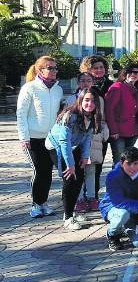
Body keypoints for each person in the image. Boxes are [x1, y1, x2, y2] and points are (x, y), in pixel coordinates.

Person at [46, 87, 100, 230]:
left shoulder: (91, 116)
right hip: (57, 145)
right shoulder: (70, 115)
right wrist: (70, 164)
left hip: (74, 145)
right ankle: (68, 216)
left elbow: (88, 137)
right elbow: (64, 141)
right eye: (87, 100)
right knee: (70, 178)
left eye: (93, 101)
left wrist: (85, 157)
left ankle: (72, 211)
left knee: (79, 177)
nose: (90, 104)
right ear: (81, 100)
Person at [18, 56, 64, 218]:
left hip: (51, 139)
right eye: (50, 68)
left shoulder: (58, 89)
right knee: (39, 170)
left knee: (48, 171)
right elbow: (21, 114)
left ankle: (43, 203)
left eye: (55, 68)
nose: (54, 71)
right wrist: (24, 137)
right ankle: (36, 204)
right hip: (33, 138)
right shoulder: (29, 88)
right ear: (40, 70)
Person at [99, 147, 138, 250]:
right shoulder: (113, 176)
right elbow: (118, 202)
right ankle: (112, 234)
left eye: (135, 163)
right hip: (113, 207)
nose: (132, 167)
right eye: (128, 164)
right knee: (122, 214)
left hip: (134, 212)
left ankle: (125, 229)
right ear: (121, 163)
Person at [75, 110, 110, 213]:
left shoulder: (99, 121)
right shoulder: (79, 117)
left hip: (92, 153)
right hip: (82, 151)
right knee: (81, 174)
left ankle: (90, 198)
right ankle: (81, 198)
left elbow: (105, 136)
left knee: (89, 174)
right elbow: (105, 136)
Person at [105, 63, 138, 160]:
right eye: (130, 72)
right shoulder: (117, 87)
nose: (133, 74)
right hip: (118, 133)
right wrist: (113, 130)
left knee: (131, 161)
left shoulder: (135, 89)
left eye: (136, 72)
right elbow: (109, 110)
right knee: (119, 161)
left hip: (132, 132)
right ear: (124, 74)